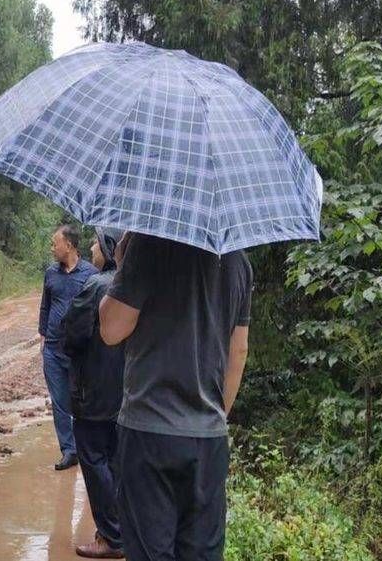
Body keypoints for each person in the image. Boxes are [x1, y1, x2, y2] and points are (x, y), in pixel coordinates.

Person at [99, 234, 252, 561]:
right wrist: (214, 415)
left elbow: (111, 328)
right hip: (209, 438)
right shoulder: (238, 259)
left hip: (149, 433)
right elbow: (239, 350)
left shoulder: (149, 243)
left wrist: (123, 266)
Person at [63, 229, 127, 559]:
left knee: (93, 459)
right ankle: (122, 530)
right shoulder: (136, 286)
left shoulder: (96, 286)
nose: (91, 246)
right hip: (127, 394)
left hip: (95, 392)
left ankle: (111, 538)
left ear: (109, 247)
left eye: (96, 241)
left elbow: (71, 336)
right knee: (116, 461)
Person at [39, 224, 99, 470]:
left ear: (70, 245)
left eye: (56, 243)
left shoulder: (91, 274)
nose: (53, 247)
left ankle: (87, 448)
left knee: (82, 401)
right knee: (60, 402)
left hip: (79, 351)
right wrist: (42, 335)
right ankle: (69, 450)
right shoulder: (51, 273)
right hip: (53, 348)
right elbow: (45, 305)